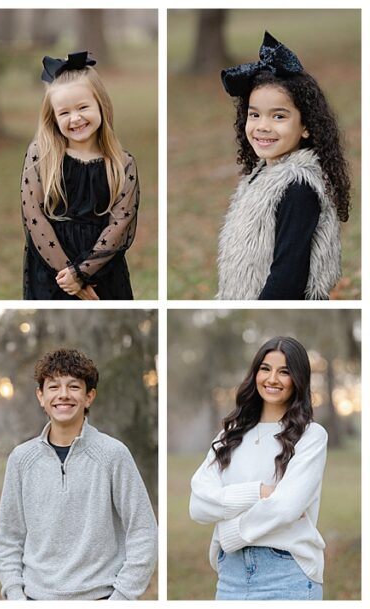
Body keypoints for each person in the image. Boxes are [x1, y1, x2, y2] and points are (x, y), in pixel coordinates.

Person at [0, 348, 156, 600]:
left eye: (73, 387)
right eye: (53, 387)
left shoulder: (113, 454)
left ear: (89, 396)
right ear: (40, 396)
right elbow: (9, 537)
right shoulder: (21, 459)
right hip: (36, 597)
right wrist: (16, 596)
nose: (63, 395)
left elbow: (143, 530)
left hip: (100, 596)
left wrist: (122, 598)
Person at [190, 337, 327, 600]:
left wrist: (229, 531)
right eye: (265, 369)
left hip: (286, 575)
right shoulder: (229, 435)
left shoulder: (311, 436)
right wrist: (261, 492)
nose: (272, 379)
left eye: (284, 372)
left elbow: (286, 508)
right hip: (230, 578)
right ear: (255, 373)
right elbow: (198, 505)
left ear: (297, 379)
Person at [217, 32, 350, 300]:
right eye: (254, 114)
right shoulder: (260, 176)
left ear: (306, 127)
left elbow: (288, 277)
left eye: (279, 116)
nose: (263, 125)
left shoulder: (298, 186)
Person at [22, 52, 140, 300]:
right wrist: (70, 277)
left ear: (101, 105)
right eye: (64, 113)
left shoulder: (122, 163)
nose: (75, 118)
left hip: (103, 268)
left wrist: (82, 273)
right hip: (52, 271)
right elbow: (34, 217)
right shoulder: (41, 155)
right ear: (53, 117)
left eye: (83, 107)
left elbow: (120, 224)